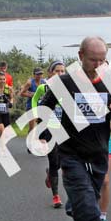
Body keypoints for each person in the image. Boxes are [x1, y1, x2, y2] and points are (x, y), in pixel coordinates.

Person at [39, 37, 111, 221]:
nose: (98, 64)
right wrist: (49, 135)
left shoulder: (110, 81)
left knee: (84, 207)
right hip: (71, 154)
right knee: (89, 211)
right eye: (93, 60)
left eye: (102, 60)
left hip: (98, 154)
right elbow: (45, 110)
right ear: (80, 55)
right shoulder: (64, 82)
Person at [33, 61, 66, 208]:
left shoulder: (69, 88)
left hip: (65, 130)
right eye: (57, 71)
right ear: (51, 73)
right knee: (54, 161)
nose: (60, 74)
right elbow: (35, 101)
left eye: (62, 71)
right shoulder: (43, 88)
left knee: (61, 163)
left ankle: (50, 174)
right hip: (48, 129)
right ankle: (56, 196)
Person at [19, 67, 46, 136]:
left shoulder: (44, 82)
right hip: (31, 106)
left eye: (41, 74)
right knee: (32, 128)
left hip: (40, 107)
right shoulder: (30, 83)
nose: (39, 76)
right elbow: (21, 93)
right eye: (38, 74)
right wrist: (32, 95)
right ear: (34, 75)